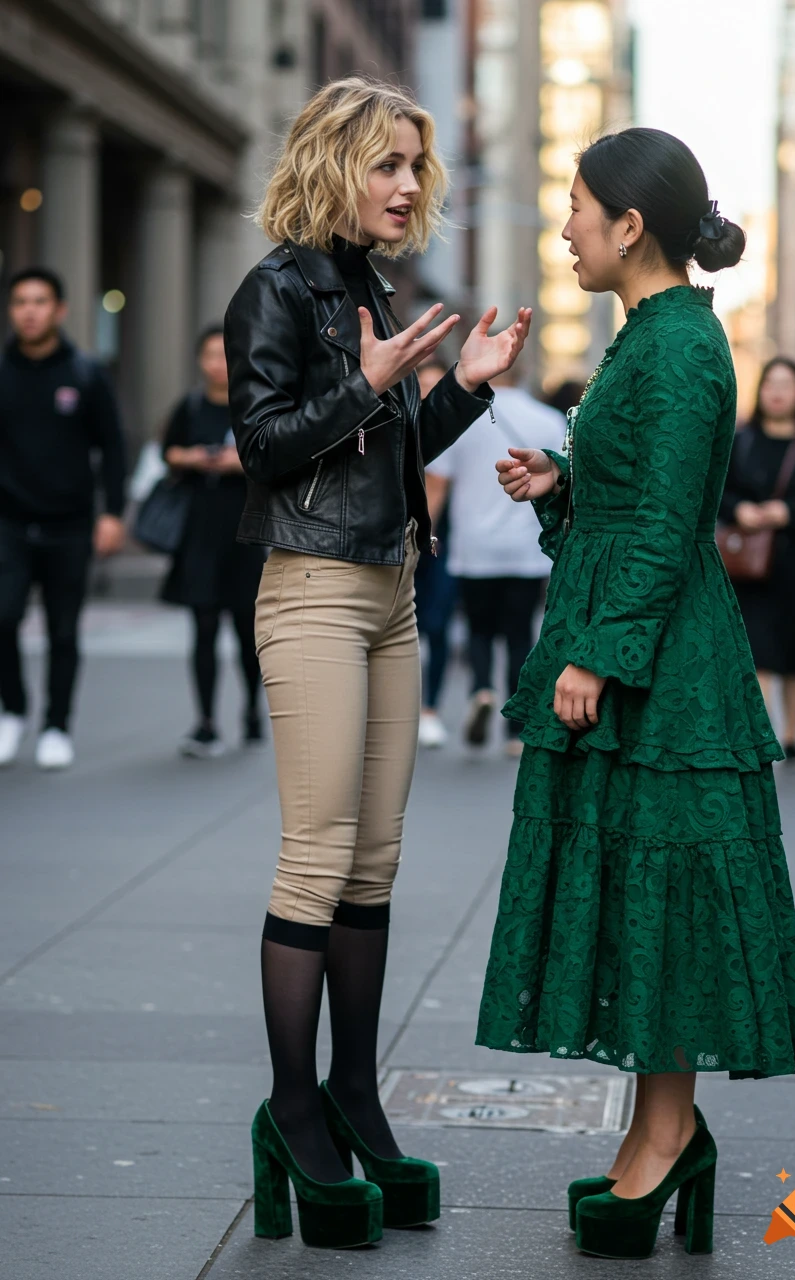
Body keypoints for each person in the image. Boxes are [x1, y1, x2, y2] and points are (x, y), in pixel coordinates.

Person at [475, 128, 795, 1261]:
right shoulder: (650, 337)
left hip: (661, 670)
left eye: (575, 206)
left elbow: (671, 525)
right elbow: (636, 499)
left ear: (629, 224)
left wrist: (599, 653)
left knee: (661, 892)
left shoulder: (674, 347)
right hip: (642, 648)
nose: (563, 225)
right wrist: (563, 482)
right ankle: (658, 1130)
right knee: (642, 892)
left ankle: (666, 1135)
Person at [224, 76, 530, 1250]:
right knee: (313, 857)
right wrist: (376, 379)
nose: (407, 186)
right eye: (387, 163)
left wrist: (459, 388)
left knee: (374, 857)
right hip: (308, 587)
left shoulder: (364, 284)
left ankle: (354, 1090)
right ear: (335, 163)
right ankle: (292, 1107)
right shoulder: (277, 287)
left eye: (415, 165)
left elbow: (382, 449)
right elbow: (261, 447)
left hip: (392, 589)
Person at [0, 267, 126, 770]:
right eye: (20, 302)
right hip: (8, 521)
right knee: (2, 616)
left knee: (63, 631)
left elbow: (112, 448)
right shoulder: (2, 373)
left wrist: (112, 514)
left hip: (71, 524)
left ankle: (56, 725)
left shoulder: (85, 374)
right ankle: (12, 708)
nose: (29, 310)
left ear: (59, 310)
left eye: (39, 301)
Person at [426, 367, 566, 754]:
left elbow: (437, 484)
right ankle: (514, 731)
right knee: (520, 633)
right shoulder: (549, 420)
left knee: (479, 629)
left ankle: (482, 690)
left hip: (474, 547)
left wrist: (425, 534)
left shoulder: (464, 420)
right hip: (526, 549)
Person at [719, 358, 795, 767]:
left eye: (787, 384)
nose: (777, 391)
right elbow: (718, 492)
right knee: (758, 649)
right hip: (749, 565)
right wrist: (744, 511)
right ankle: (763, 729)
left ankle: (792, 735)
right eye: (771, 382)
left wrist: (787, 513)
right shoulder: (742, 441)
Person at [160, 325, 267, 758]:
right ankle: (205, 722)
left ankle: (252, 712)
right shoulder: (188, 406)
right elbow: (167, 451)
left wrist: (238, 463)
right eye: (208, 355)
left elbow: (273, 456)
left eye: (224, 355)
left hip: (244, 534)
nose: (216, 364)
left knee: (247, 633)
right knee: (203, 628)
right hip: (200, 534)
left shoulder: (254, 405)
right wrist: (196, 457)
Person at [415, 358, 456, 748]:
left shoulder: (456, 426)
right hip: (405, 540)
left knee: (438, 625)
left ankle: (430, 710)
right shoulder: (400, 425)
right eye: (421, 388)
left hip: (442, 543)